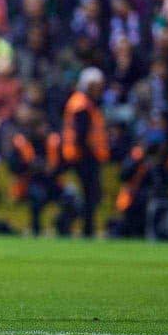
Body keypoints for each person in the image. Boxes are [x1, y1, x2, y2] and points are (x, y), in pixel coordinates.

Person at [61, 67, 110, 237]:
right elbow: (81, 134)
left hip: (79, 156)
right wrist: (91, 154)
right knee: (88, 197)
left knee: (87, 197)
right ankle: (84, 230)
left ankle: (81, 228)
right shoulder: (82, 105)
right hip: (83, 158)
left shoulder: (81, 102)